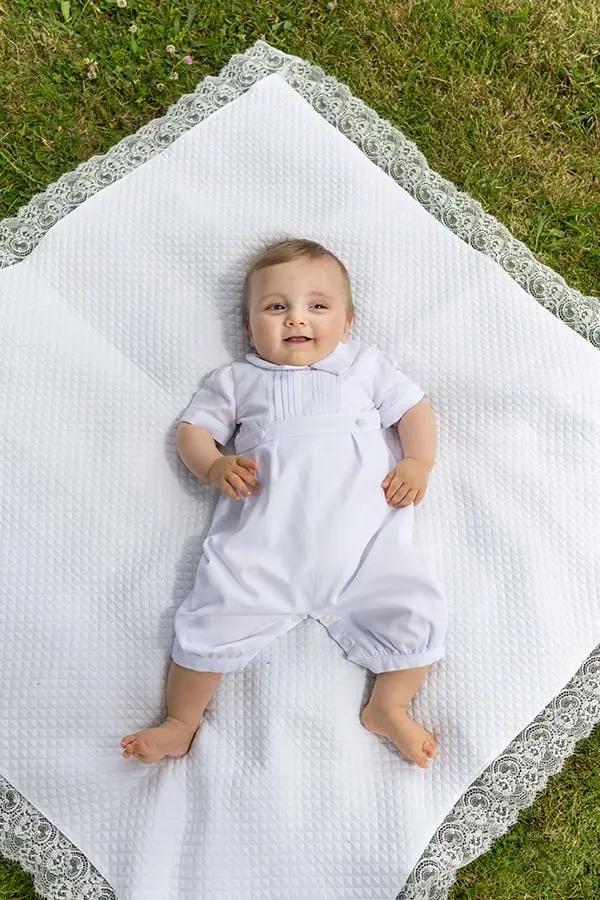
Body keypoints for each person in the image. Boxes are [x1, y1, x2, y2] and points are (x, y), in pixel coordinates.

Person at [121, 238, 448, 768]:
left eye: (318, 306)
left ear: (347, 322)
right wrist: (213, 464)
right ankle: (181, 722)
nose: (297, 319)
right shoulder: (237, 380)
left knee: (415, 609)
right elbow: (193, 431)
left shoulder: (364, 367)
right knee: (210, 616)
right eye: (276, 307)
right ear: (250, 325)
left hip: (364, 550)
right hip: (262, 549)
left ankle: (389, 705)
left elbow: (414, 409)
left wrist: (418, 462)